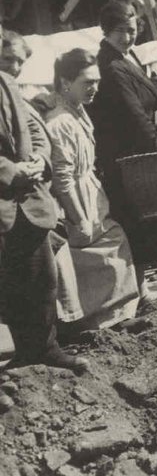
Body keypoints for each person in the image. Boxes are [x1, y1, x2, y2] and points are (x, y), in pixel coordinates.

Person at [0, 54, 88, 372]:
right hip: (4, 201)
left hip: (29, 202)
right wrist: (12, 171)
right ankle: (23, 354)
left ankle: (45, 349)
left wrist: (40, 160)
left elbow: (35, 131)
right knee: (8, 289)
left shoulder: (7, 83)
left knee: (41, 280)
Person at [46, 48, 141, 330]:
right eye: (87, 82)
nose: (94, 88)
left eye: (96, 81)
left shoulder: (78, 112)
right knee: (102, 251)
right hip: (75, 200)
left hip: (90, 194)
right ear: (65, 83)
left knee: (110, 247)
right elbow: (62, 177)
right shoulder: (61, 122)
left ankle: (109, 317)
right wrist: (78, 216)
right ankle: (95, 321)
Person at [88, 1, 157, 290]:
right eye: (121, 30)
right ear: (107, 29)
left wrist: (156, 90)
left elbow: (149, 97)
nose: (129, 36)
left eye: (133, 29)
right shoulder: (110, 64)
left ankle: (141, 287)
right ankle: (139, 290)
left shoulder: (127, 56)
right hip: (125, 155)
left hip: (135, 152)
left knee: (142, 220)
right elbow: (133, 112)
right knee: (134, 221)